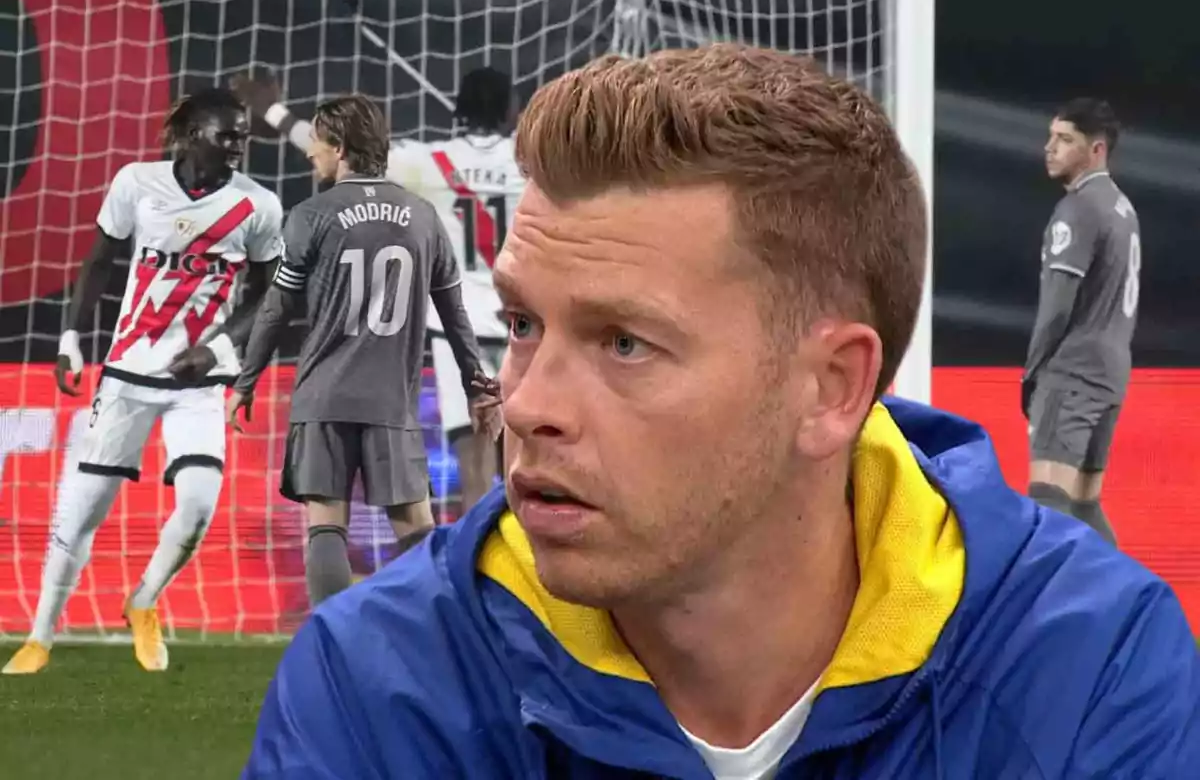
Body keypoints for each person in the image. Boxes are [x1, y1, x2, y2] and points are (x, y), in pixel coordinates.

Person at [241, 47, 1198, 779]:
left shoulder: (1089, 669)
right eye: (524, 322)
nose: (526, 404)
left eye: (625, 343)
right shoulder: (372, 686)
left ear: (830, 389)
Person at [4, 87, 283, 675]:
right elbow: (99, 262)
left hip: (199, 385)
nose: (237, 145)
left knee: (200, 506)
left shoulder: (258, 206)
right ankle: (40, 636)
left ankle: (144, 602)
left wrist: (217, 349)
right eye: (225, 134)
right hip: (128, 374)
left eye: (242, 135)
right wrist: (70, 341)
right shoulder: (136, 182)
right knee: (81, 513)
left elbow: (266, 298)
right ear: (189, 135)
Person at [227, 93, 499, 608]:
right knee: (417, 530)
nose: (311, 152)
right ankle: (434, 647)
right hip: (392, 403)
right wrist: (477, 384)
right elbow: (454, 313)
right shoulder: (422, 216)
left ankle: (327, 650)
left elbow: (275, 308)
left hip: (323, 397)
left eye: (318, 142)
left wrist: (246, 380)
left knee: (326, 525)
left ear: (341, 147)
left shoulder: (310, 214)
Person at [1022, 98, 1138, 546]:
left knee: (1048, 499)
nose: (1049, 147)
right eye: (1050, 136)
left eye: (1064, 139)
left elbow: (1057, 306)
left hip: (1072, 371)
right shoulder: (1122, 208)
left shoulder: (1078, 210)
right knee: (1085, 503)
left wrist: (1033, 371)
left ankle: (1056, 612)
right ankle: (1124, 600)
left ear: (1096, 150)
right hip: (1110, 373)